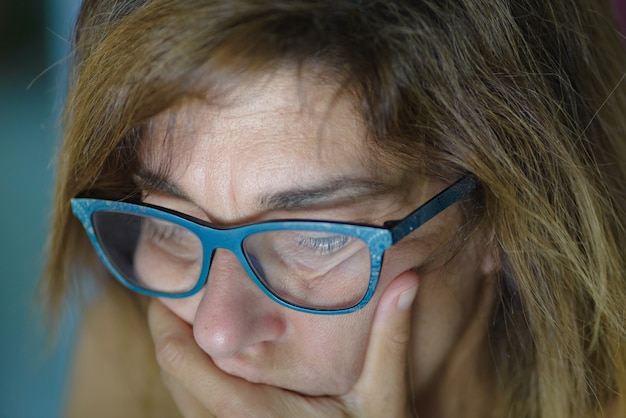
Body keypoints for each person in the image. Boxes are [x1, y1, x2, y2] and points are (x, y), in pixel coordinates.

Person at [42, 0, 626, 417]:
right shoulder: (129, 344)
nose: (217, 333)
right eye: (171, 221)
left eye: (316, 238)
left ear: (505, 212)